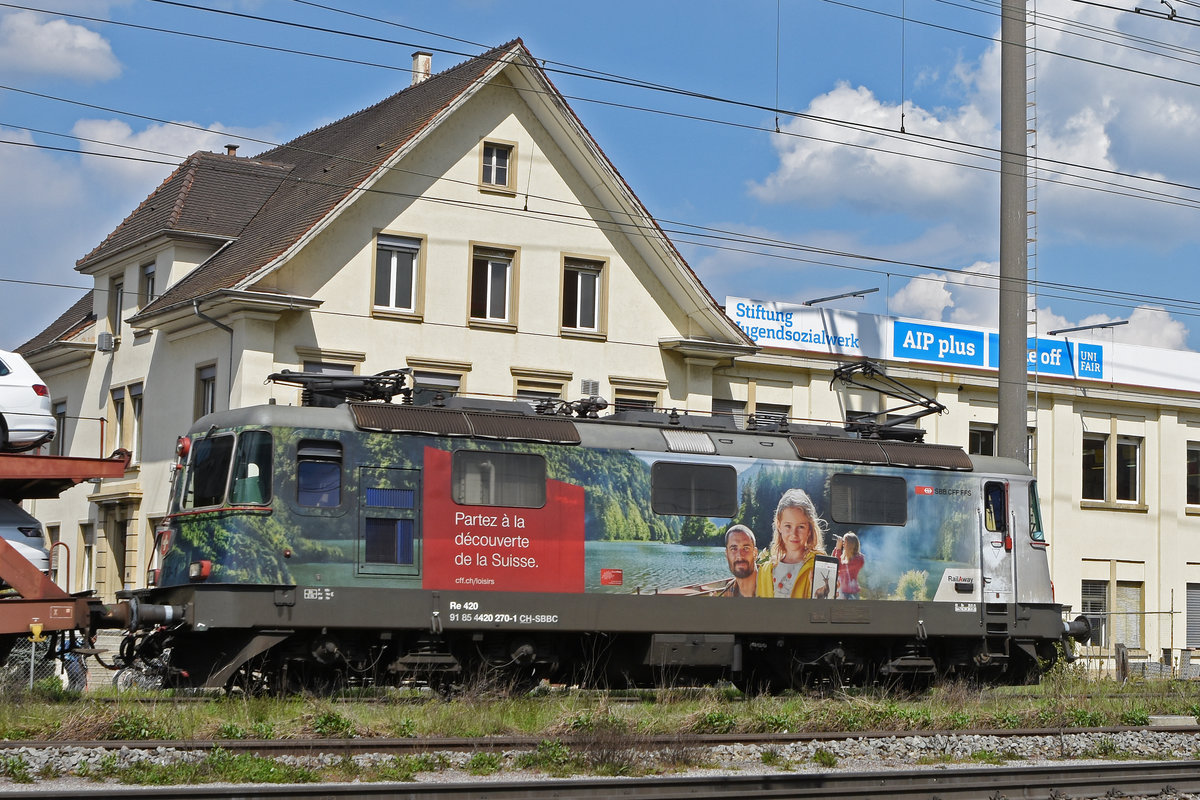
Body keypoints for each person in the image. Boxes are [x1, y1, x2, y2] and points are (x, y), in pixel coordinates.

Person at [757, 488, 828, 599]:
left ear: (809, 530)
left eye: (801, 527)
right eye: (788, 526)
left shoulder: (818, 566)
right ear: (779, 525)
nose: (794, 534)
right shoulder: (766, 570)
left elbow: (823, 609)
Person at [716, 524, 757, 597]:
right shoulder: (729, 591)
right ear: (727, 554)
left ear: (755, 553)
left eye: (746, 548)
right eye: (734, 549)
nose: (740, 556)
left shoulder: (773, 585)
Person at [832, 531, 864, 600]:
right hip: (841, 592)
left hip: (851, 594)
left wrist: (838, 549)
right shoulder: (845, 557)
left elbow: (839, 567)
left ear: (850, 544)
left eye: (844, 542)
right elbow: (833, 564)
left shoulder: (858, 559)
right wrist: (836, 548)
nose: (843, 544)